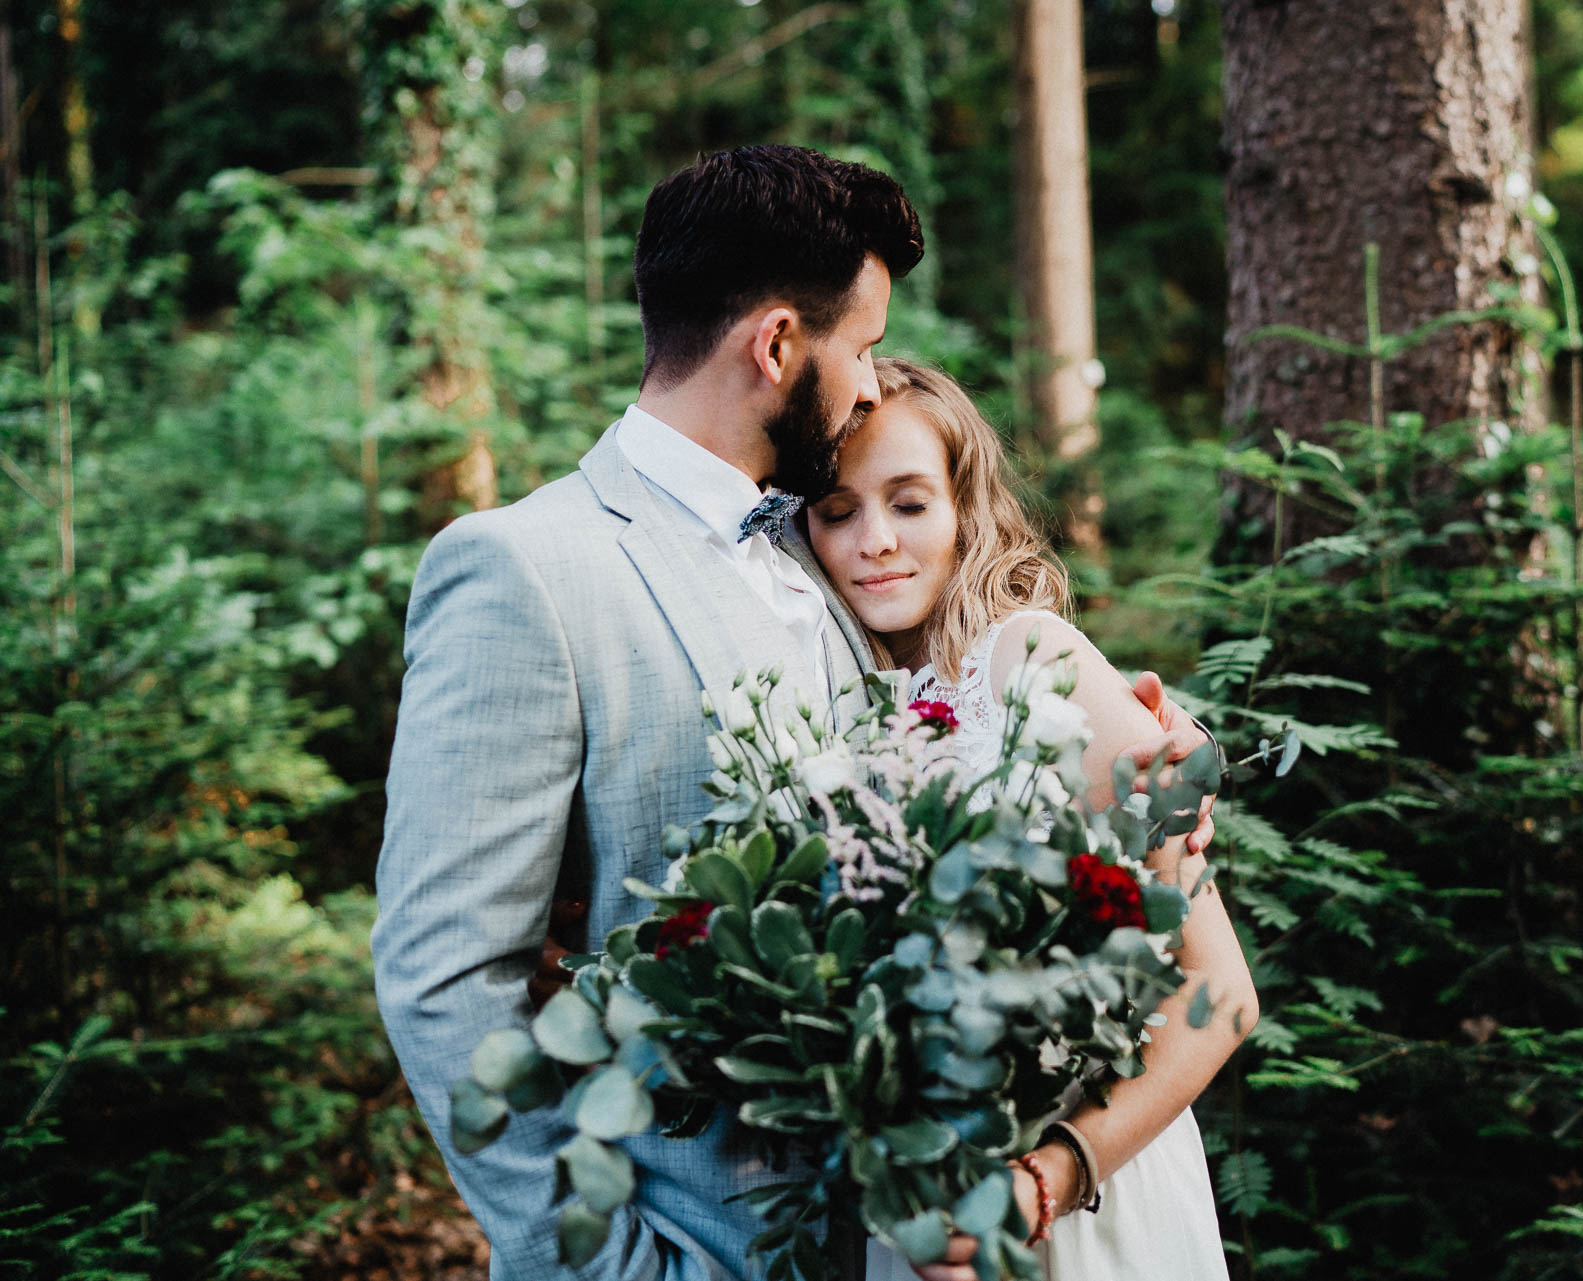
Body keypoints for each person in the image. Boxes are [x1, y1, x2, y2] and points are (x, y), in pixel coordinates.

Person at [372, 145, 1213, 1281]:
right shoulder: (529, 569)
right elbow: (444, 972)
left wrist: (1152, 753)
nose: (871, 385)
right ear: (775, 345)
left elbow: (970, 718)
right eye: (860, 348)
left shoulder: (821, 545)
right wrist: (614, 1268)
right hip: (706, 1244)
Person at [806, 358, 1257, 1281]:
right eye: (837, 510)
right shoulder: (837, 713)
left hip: (1079, 1199)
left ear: (967, 511)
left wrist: (1045, 1179)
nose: (874, 541)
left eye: (910, 502)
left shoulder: (1027, 659)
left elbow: (1222, 992)